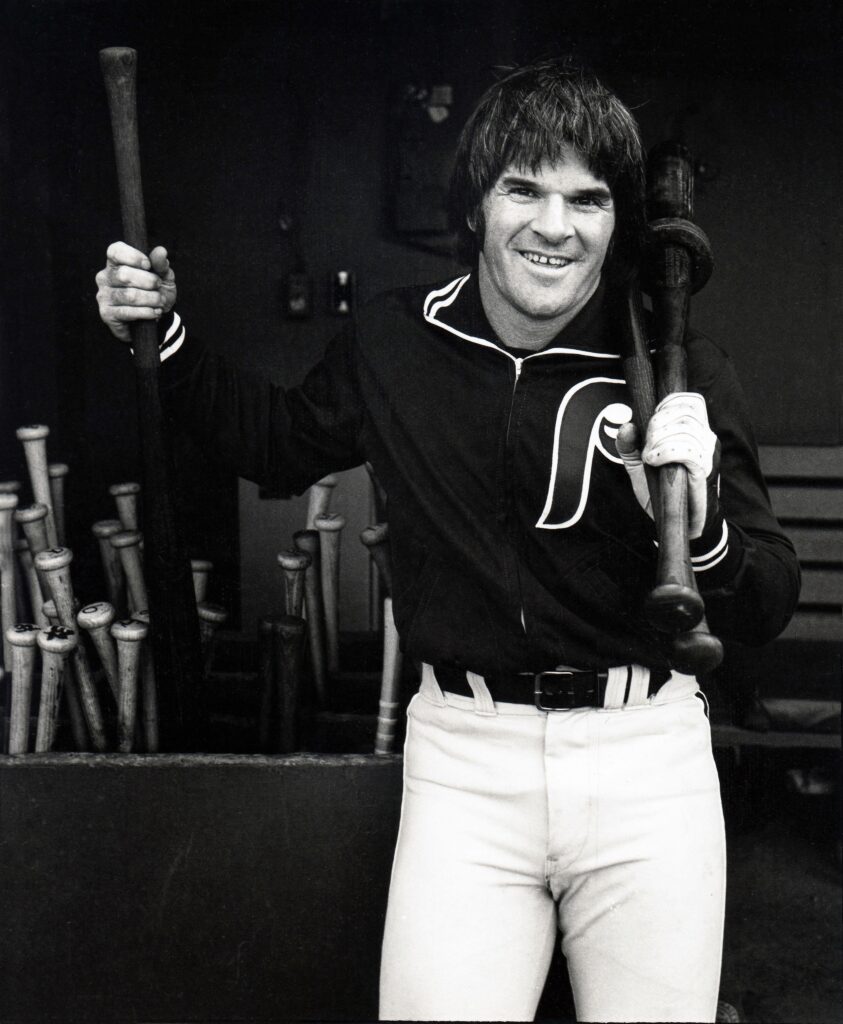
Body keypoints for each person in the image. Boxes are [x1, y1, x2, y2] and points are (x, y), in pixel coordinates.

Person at [96, 59, 799, 1023]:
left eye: (586, 199)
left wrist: (696, 515)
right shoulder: (396, 344)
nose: (554, 226)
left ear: (615, 222)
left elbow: (764, 601)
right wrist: (160, 332)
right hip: (466, 764)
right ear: (475, 201)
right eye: (524, 188)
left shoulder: (682, 373)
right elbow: (274, 443)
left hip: (647, 763)